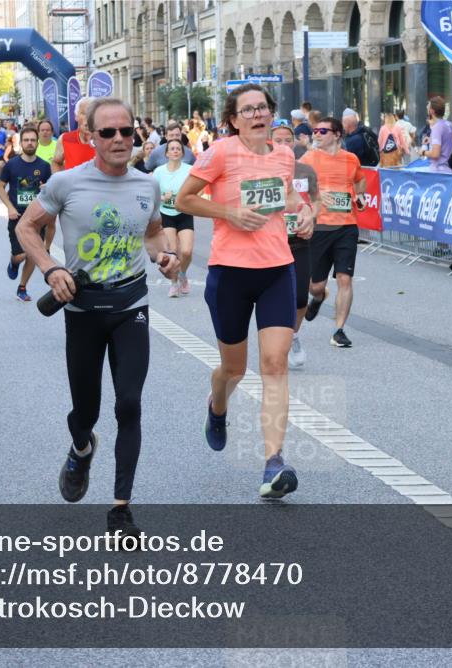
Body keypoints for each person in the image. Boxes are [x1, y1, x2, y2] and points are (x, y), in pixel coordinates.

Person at [16, 97, 179, 537]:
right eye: (108, 132)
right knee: (85, 411)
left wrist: (164, 255)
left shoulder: (146, 185)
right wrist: (49, 268)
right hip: (83, 309)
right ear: (90, 136)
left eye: (127, 131)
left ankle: (121, 509)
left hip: (130, 306)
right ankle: (81, 448)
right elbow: (26, 227)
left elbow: (152, 234)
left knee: (129, 404)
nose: (120, 139)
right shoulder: (66, 183)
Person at [175, 83, 313, 498]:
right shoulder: (220, 153)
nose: (257, 115)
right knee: (233, 369)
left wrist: (304, 211)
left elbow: (288, 194)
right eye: (247, 110)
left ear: (271, 114)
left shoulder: (284, 154)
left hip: (277, 270)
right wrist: (229, 212)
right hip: (230, 273)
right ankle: (217, 406)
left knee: (275, 364)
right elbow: (184, 199)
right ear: (233, 120)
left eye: (262, 108)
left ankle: (274, 463)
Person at [300, 116, 367, 348]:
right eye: (315, 131)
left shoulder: (351, 159)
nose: (316, 134)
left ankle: (339, 330)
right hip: (319, 226)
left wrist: (359, 197)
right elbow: (295, 184)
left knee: (345, 279)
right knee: (315, 285)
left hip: (347, 226)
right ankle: (319, 296)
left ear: (337, 134)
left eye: (322, 131)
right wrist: (316, 195)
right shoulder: (309, 158)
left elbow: (360, 181)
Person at [271, 123, 320, 369]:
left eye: (287, 140)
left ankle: (293, 335)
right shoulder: (262, 170)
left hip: (300, 240)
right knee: (274, 298)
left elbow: (317, 200)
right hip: (270, 242)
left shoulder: (305, 171)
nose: (283, 145)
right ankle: (274, 344)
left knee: (301, 297)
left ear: (294, 143)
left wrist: (310, 215)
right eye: (277, 140)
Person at [0, 126, 52, 302]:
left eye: (33, 140)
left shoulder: (44, 166)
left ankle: (22, 287)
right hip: (17, 217)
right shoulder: (12, 164)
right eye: (26, 140)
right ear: (21, 143)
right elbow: (0, 187)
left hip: (37, 218)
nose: (30, 143)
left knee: (32, 254)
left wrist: (46, 188)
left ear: (37, 143)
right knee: (20, 255)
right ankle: (14, 262)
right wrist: (10, 207)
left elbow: (51, 190)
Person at [153, 138, 194, 298]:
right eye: (172, 149)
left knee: (187, 251)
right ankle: (174, 283)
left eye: (178, 148)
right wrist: (164, 197)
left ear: (182, 153)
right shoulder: (159, 172)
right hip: (166, 214)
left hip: (184, 212)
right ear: (167, 153)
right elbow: (153, 195)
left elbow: (196, 189)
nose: (175, 151)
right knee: (172, 251)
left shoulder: (190, 170)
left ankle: (182, 273)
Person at [52, 99, 96, 172]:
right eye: (84, 113)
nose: (88, 118)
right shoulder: (65, 139)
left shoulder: (105, 140)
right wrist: (59, 178)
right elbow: (56, 162)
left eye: (92, 114)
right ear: (76, 116)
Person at [418, 96, 452, 173]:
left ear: (432, 111)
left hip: (438, 171)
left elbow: (435, 154)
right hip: (449, 169)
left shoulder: (437, 127)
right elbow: (447, 141)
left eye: (428, 107)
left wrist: (422, 152)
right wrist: (431, 139)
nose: (426, 108)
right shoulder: (449, 124)